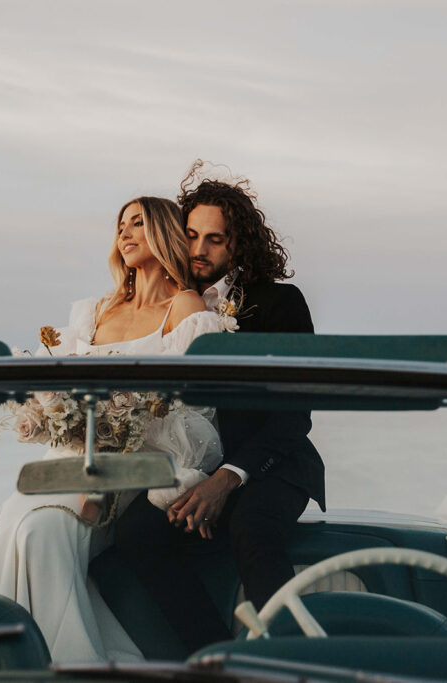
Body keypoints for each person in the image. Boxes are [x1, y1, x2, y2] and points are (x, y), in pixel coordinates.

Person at [0, 197, 225, 663]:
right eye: (120, 225)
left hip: (127, 471)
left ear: (164, 231)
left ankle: (55, 662)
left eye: (138, 223)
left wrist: (121, 420)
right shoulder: (95, 311)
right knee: (16, 517)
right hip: (66, 460)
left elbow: (192, 411)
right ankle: (4, 660)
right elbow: (56, 382)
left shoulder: (186, 308)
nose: (124, 234)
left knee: (39, 529)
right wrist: (50, 409)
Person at [115, 165, 326, 653]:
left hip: (271, 464)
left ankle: (290, 662)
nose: (199, 250)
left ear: (238, 246)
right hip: (191, 467)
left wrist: (228, 477)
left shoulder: (279, 303)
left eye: (215, 239)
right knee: (135, 533)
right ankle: (213, 657)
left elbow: (297, 414)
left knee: (250, 528)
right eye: (190, 235)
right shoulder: (168, 303)